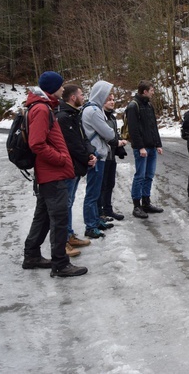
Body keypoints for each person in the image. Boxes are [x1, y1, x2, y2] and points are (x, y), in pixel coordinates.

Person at [22, 71, 87, 277]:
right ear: (52, 88)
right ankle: (60, 263)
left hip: (48, 174)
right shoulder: (41, 109)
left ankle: (31, 255)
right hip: (52, 173)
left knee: (42, 217)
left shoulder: (41, 106)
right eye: (60, 86)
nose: (62, 89)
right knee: (58, 218)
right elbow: (37, 143)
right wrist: (60, 158)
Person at [56, 84, 96, 257]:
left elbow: (83, 138)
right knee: (65, 204)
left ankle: (69, 235)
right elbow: (72, 145)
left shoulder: (74, 114)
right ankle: (63, 241)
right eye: (81, 94)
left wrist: (91, 153)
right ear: (73, 97)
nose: (83, 96)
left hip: (76, 166)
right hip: (69, 167)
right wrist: (87, 157)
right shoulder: (64, 117)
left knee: (70, 202)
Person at [81, 80, 120, 239]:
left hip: (97, 153)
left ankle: (96, 220)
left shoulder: (90, 109)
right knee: (93, 193)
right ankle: (91, 225)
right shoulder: (94, 111)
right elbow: (109, 134)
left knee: (96, 191)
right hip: (96, 155)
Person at [127, 80, 164, 218]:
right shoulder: (133, 106)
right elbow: (133, 129)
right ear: (145, 91)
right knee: (140, 176)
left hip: (152, 147)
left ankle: (146, 202)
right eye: (152, 90)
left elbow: (153, 126)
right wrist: (140, 147)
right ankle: (136, 206)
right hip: (141, 149)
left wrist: (158, 144)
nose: (153, 93)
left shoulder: (149, 105)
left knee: (149, 176)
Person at [98, 89, 128, 219]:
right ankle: (100, 212)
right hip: (102, 156)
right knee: (102, 185)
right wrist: (117, 142)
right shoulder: (100, 116)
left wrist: (119, 142)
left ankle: (108, 209)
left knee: (110, 184)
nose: (112, 102)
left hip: (111, 156)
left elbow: (114, 133)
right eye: (109, 100)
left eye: (113, 99)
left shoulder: (112, 117)